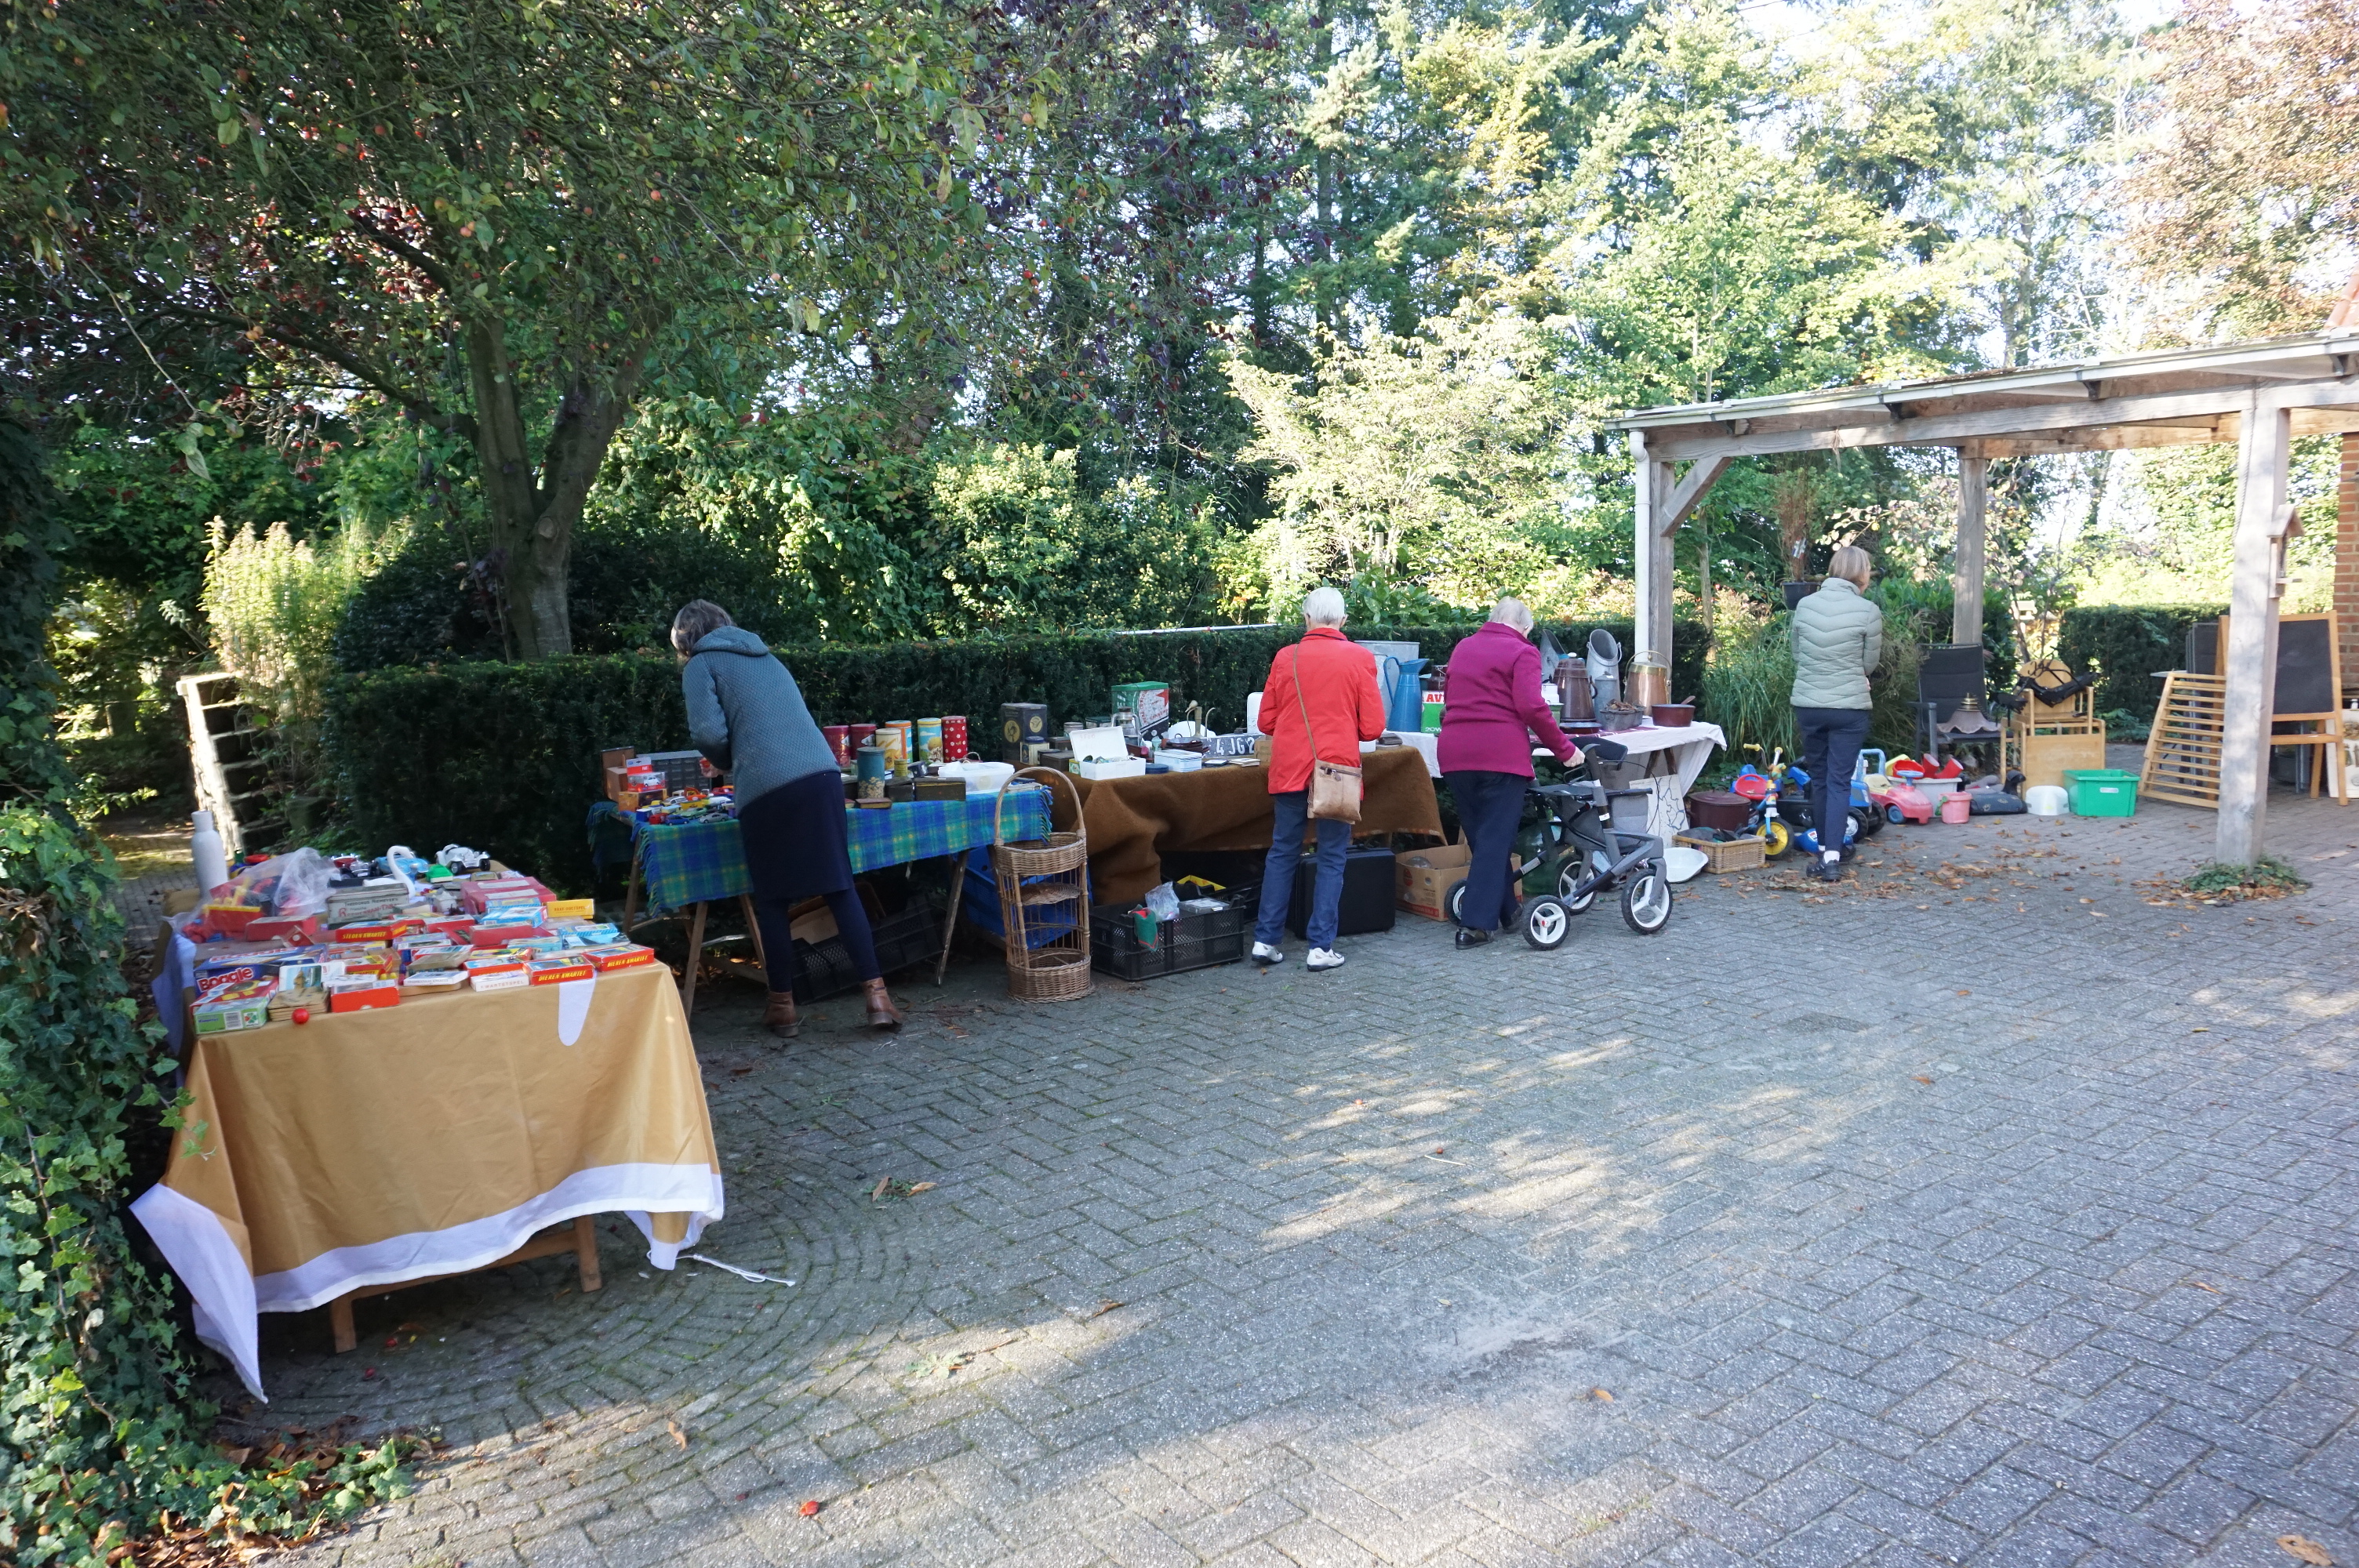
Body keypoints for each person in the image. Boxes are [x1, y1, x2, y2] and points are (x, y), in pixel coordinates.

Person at [673, 601, 903, 1036]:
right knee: (839, 887)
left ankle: (782, 1007)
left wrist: (727, 760)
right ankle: (878, 998)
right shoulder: (765, 656)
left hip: (767, 786)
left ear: (686, 639)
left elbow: (707, 733)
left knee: (774, 900)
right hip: (821, 777)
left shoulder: (701, 665)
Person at [1251, 586, 1387, 973]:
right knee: (1331, 857)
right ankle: (1320, 947)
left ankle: (1265, 940)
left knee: (1282, 852)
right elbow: (1373, 727)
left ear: (1306, 618)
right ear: (1343, 620)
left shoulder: (1286, 657)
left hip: (1289, 769)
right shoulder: (1359, 658)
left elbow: (1266, 721)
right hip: (1337, 772)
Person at [1437, 597, 1581, 949]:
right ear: (1525, 626)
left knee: (1484, 840)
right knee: (1494, 840)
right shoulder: (1523, 651)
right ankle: (1474, 926)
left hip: (1455, 753)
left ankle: (1508, 912)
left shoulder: (1464, 647)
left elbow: (1450, 696)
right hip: (1499, 754)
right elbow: (1531, 706)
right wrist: (1565, 750)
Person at [1789, 545, 1884, 884]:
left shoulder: (1805, 605)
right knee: (1839, 781)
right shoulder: (1868, 610)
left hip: (1810, 706)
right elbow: (1869, 663)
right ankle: (1832, 856)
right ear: (1863, 574)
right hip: (1849, 708)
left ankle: (1823, 850)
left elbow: (1797, 654)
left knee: (1819, 779)